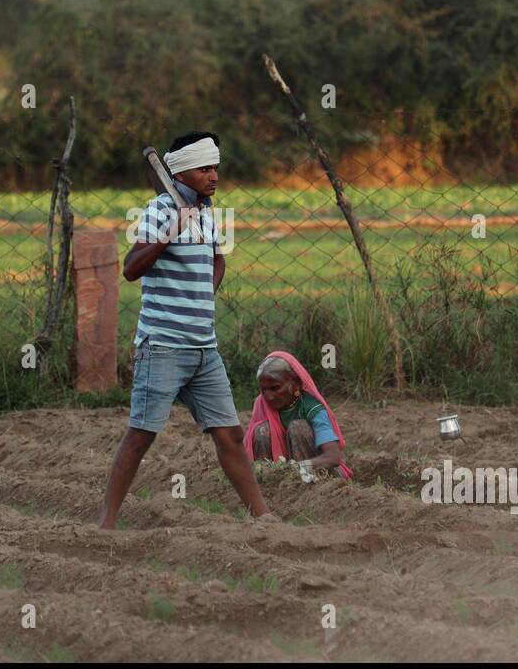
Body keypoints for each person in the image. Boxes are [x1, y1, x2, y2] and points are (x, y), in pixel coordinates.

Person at [97, 131, 275, 528]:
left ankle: (263, 517)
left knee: (228, 435)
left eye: (215, 168)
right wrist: (169, 231)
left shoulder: (208, 214)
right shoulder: (159, 210)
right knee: (141, 435)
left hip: (203, 349)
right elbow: (131, 269)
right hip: (161, 346)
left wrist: (204, 296)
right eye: (204, 169)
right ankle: (106, 523)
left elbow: (217, 260)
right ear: (180, 172)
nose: (214, 176)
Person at [244, 351, 353, 481]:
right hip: (283, 475)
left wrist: (299, 467)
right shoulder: (261, 404)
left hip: (320, 474)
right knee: (261, 430)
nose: (268, 396)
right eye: (264, 390)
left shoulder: (311, 407)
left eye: (275, 388)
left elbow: (333, 456)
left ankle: (304, 486)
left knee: (298, 427)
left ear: (295, 383)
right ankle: (268, 485)